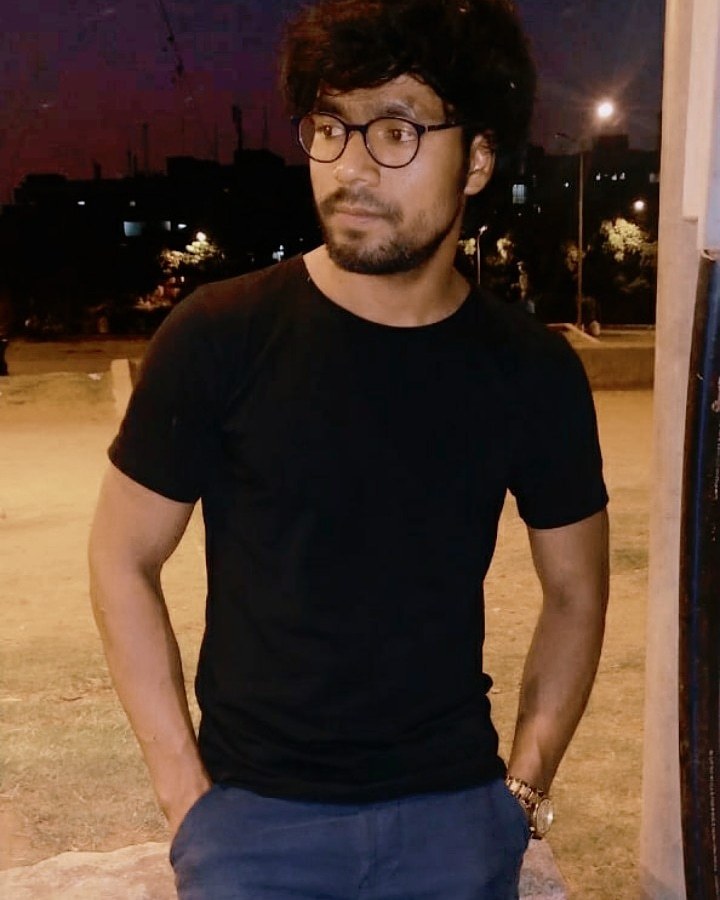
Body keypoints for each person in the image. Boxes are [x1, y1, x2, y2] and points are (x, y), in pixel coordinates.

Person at [88, 1, 609, 897]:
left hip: (454, 821)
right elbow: (121, 555)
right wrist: (188, 800)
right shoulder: (220, 336)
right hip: (253, 826)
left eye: (396, 130)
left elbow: (577, 590)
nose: (351, 167)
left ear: (477, 159)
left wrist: (522, 790)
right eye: (331, 127)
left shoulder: (530, 369)